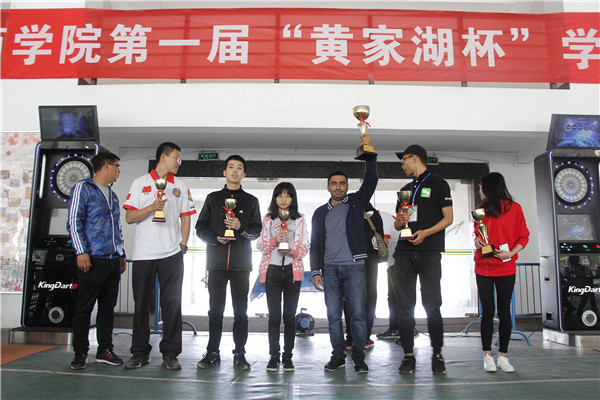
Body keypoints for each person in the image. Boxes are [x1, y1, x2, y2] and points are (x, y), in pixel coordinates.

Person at [122, 142, 196, 370]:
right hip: (143, 254)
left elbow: (186, 218)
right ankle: (139, 353)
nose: (179, 162)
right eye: (176, 157)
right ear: (163, 157)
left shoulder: (180, 186)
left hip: (172, 253)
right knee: (141, 304)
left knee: (172, 304)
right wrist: (151, 207)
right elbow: (130, 218)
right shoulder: (140, 183)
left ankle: (170, 354)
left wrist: (183, 244)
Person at [310, 134, 378, 374]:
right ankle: (338, 355)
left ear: (347, 186)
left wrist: (369, 154)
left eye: (342, 183)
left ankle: (358, 357)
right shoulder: (320, 213)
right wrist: (315, 271)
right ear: (328, 186)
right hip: (329, 270)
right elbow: (315, 244)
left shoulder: (356, 203)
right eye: (334, 183)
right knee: (333, 317)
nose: (338, 187)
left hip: (354, 268)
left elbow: (372, 180)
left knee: (358, 316)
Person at [195, 155, 262, 371]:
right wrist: (215, 238)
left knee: (241, 312)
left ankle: (239, 353)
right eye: (231, 167)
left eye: (239, 167)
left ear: (244, 174)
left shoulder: (251, 201)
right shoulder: (212, 198)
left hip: (241, 265)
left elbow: (256, 231)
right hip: (216, 263)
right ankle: (212, 352)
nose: (235, 170)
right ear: (224, 172)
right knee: (215, 311)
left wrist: (240, 227)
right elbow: (200, 228)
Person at [392, 144, 453, 375]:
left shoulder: (439, 184)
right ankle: (408, 355)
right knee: (404, 306)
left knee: (432, 305)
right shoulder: (405, 190)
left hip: (429, 252)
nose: (403, 165)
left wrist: (426, 232)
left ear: (415, 158)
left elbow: (448, 218)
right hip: (404, 253)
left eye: (404, 160)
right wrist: (400, 220)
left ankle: (437, 354)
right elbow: (398, 225)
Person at [67, 152, 127, 370]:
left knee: (107, 309)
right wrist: (81, 251)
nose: (119, 171)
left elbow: (117, 227)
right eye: (117, 166)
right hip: (91, 259)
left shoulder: (113, 195)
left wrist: (122, 254)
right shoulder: (83, 188)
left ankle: (104, 350)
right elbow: (74, 221)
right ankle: (80, 352)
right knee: (85, 308)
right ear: (106, 166)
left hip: (113, 259)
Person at [474, 172, 529, 373]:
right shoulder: (480, 210)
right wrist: (477, 241)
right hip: (483, 267)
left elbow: (524, 236)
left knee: (504, 311)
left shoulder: (515, 208)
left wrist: (510, 253)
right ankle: (487, 354)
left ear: (490, 188)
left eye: (481, 187)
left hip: (506, 266)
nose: (480, 191)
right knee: (487, 311)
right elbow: (477, 234)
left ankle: (503, 356)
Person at [256, 182, 310, 372]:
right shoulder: (268, 219)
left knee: (289, 317)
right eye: (280, 195)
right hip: (272, 270)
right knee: (274, 317)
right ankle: (273, 356)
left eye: (288, 195)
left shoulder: (300, 220)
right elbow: (261, 245)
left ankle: (287, 357)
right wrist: (274, 240)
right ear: (275, 198)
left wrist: (295, 252)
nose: (284, 199)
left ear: (293, 198)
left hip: (292, 271)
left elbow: (306, 245)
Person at [343, 203, 384, 350]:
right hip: (370, 259)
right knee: (369, 297)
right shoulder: (374, 214)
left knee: (349, 297)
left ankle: (351, 337)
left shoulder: (347, 211)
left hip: (351, 258)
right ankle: (365, 336)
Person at [376, 211, 401, 340]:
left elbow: (383, 244)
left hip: (397, 262)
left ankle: (400, 329)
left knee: (397, 298)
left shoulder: (381, 218)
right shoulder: (382, 216)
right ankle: (396, 328)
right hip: (393, 262)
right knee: (393, 297)